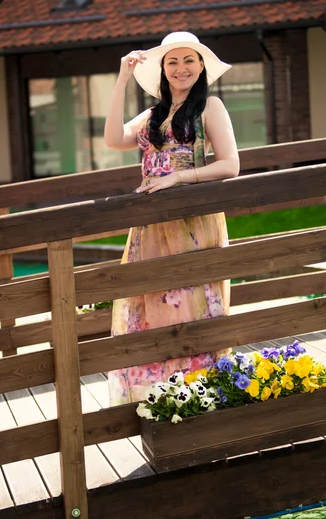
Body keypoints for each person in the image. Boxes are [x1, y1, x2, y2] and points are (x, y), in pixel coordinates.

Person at [104, 31, 240, 406]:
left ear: (201, 66)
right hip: (150, 224)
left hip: (192, 221)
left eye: (189, 60)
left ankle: (203, 396)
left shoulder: (210, 106)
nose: (181, 69)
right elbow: (113, 139)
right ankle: (163, 399)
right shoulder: (153, 115)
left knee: (193, 303)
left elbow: (231, 165)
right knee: (152, 306)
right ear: (163, 69)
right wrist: (121, 78)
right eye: (172, 62)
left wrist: (179, 176)